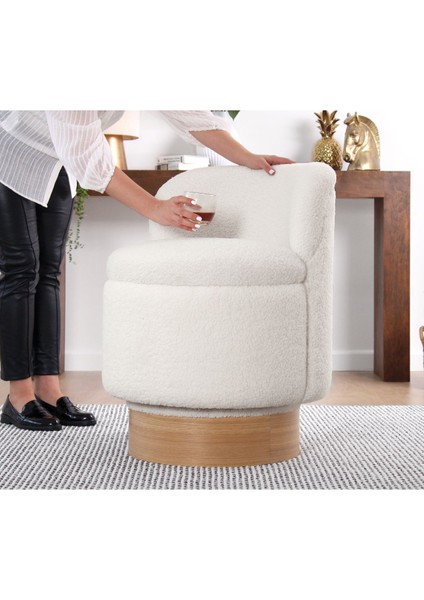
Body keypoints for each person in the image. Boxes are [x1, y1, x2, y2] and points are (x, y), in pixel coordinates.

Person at [0, 110, 293, 431]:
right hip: (12, 146)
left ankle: (48, 390)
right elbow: (87, 155)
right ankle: (19, 395)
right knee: (22, 269)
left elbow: (189, 112)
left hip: (57, 158)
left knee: (48, 273)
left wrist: (247, 158)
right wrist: (154, 207)